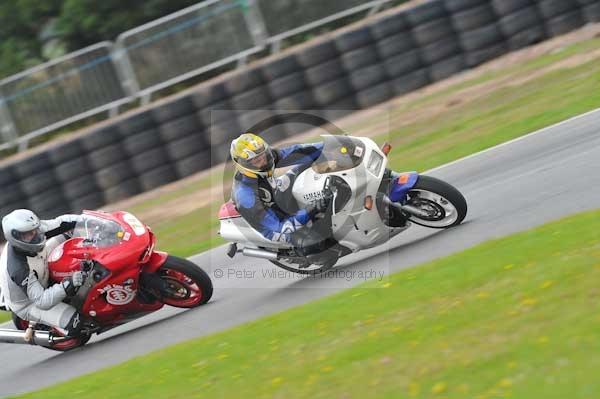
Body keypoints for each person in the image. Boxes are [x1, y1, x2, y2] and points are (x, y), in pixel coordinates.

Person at [230, 133, 329, 245]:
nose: (263, 161)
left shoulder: (267, 157)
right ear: (242, 163)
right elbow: (280, 226)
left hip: (274, 193)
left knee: (307, 166)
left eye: (262, 155)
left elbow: (298, 152)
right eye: (256, 160)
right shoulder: (245, 196)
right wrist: (311, 209)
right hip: (274, 226)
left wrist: (329, 146)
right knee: (317, 243)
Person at [0, 209, 85, 339]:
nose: (35, 235)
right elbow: (41, 301)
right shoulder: (18, 269)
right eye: (28, 234)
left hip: (40, 263)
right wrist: (68, 284)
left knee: (70, 233)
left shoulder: (35, 231)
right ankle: (49, 330)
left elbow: (62, 222)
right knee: (76, 322)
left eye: (34, 230)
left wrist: (88, 219)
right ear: (16, 237)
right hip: (29, 303)